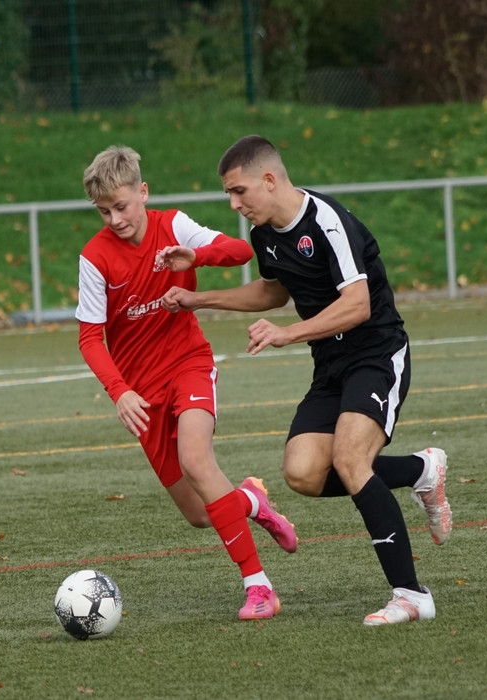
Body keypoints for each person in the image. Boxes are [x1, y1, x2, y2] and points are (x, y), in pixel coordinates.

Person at [162, 134, 452, 626]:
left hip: (376, 353)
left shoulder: (327, 222)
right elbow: (274, 292)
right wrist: (198, 299)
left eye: (238, 191)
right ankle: (420, 470)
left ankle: (411, 594)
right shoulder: (264, 233)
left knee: (350, 459)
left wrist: (287, 334)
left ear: (269, 180)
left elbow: (358, 306)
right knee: (303, 473)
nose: (234, 204)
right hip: (330, 364)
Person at [74, 145, 297, 620]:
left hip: (187, 364)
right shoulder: (94, 257)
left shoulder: (173, 225)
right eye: (104, 211)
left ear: (143, 192)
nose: (115, 219)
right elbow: (90, 338)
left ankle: (259, 587)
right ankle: (252, 501)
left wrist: (195, 255)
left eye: (122, 206)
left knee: (196, 460)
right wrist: (121, 392)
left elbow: (240, 250)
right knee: (199, 513)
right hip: (142, 394)